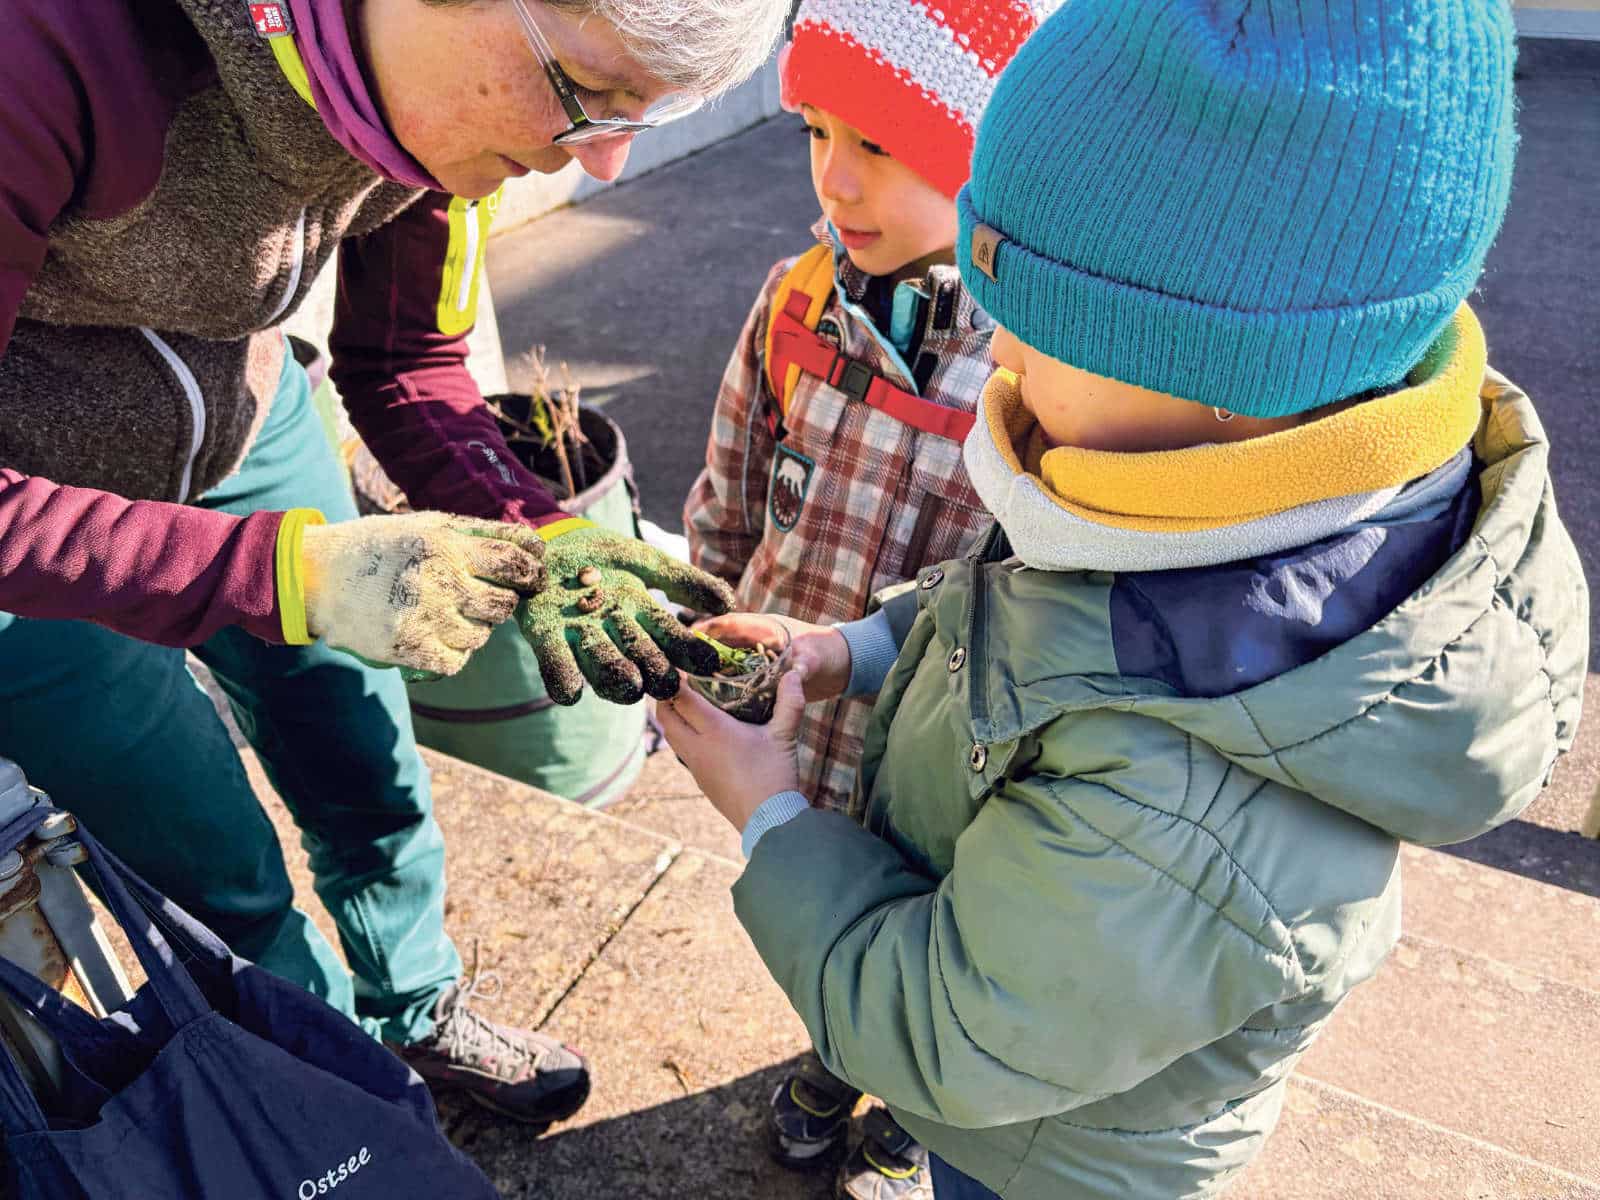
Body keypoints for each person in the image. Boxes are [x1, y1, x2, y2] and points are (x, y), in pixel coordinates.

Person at [662, 1, 1590, 1196]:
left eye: (1036, 333)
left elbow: (953, 1036)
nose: (996, 358)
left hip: (1049, 1151)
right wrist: (853, 648)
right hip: (1028, 1049)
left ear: (1214, 368)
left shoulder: (1182, 797)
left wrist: (771, 818)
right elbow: (1020, 619)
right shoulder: (1195, 503)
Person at [0, 0, 784, 1129]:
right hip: (33, 524)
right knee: (210, 855)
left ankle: (415, 1006)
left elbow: (408, 357)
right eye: (588, 91)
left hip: (253, 415)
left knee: (363, 751)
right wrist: (277, 576)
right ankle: (337, 1097)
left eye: (642, 118)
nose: (605, 157)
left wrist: (545, 531)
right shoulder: (44, 46)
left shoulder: (440, 106)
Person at [682, 5, 1049, 1191]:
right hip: (795, 733)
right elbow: (728, 494)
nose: (834, 178)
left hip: (948, 763)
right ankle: (834, 1056)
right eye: (814, 129)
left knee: (930, 932)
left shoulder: (1040, 365)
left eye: (881, 144)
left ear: (986, 156)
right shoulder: (794, 304)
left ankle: (910, 1089)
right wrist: (696, 635)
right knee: (817, 902)